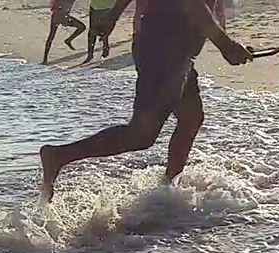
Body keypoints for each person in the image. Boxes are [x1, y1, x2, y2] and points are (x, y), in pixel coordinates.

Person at [39, 0, 253, 202]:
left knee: (191, 117)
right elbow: (194, 5)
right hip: (163, 52)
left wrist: (113, 16)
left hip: (173, 51)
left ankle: (169, 187)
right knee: (141, 135)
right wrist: (227, 45)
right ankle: (59, 155)